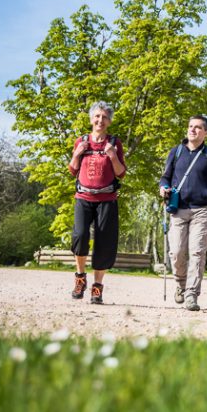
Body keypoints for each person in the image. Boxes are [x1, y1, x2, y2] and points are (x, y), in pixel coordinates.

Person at [159, 115, 207, 311]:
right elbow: (166, 177)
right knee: (177, 251)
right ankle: (180, 284)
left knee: (197, 252)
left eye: (197, 128)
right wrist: (163, 187)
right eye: (190, 126)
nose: (192, 130)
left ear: (206, 132)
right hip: (178, 208)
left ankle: (191, 294)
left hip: (203, 209)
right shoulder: (177, 152)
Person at [68, 102, 126, 305]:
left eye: (104, 117)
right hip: (83, 198)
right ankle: (80, 277)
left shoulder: (114, 143)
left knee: (104, 243)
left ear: (109, 121)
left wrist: (111, 155)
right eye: (97, 116)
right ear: (91, 119)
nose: (100, 120)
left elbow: (121, 173)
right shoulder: (81, 141)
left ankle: (97, 287)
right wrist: (77, 153)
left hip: (107, 199)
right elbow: (73, 169)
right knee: (80, 235)